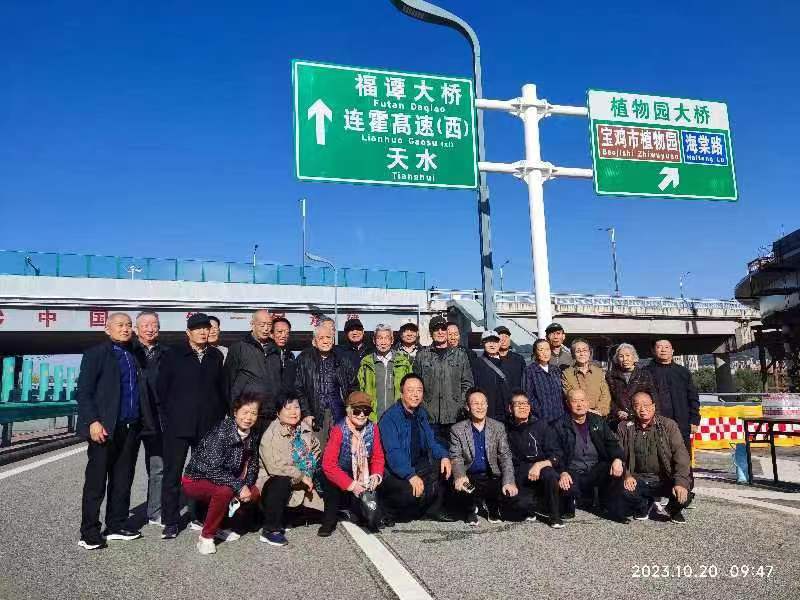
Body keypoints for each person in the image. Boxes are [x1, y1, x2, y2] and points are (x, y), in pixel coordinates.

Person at [77, 312, 154, 549]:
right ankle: (89, 532)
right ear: (107, 329)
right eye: (120, 325)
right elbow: (84, 392)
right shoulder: (96, 354)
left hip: (130, 427)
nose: (125, 329)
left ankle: (116, 524)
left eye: (129, 325)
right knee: (96, 481)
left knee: (123, 479)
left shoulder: (134, 354)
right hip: (104, 428)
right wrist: (93, 421)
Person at [159, 313, 228, 540]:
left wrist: (220, 421)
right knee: (173, 474)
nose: (203, 332)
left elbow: (221, 391)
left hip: (207, 426)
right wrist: (167, 420)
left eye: (206, 328)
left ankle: (199, 516)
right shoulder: (173, 354)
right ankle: (170, 521)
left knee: (203, 474)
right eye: (197, 328)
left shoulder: (215, 356)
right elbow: (162, 390)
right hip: (178, 426)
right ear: (188, 332)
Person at [181, 393, 262, 554]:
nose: (248, 417)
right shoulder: (222, 431)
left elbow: (253, 465)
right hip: (196, 479)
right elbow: (213, 469)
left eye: (253, 413)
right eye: (245, 412)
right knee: (225, 491)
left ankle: (222, 526)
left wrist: (246, 486)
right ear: (235, 412)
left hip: (226, 480)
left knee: (253, 492)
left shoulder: (252, 434)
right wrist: (239, 486)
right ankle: (206, 537)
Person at [378, 374, 456, 523]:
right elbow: (393, 452)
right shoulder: (390, 418)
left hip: (417, 464)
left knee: (446, 467)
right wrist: (410, 475)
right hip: (395, 470)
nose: (415, 394)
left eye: (419, 390)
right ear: (402, 393)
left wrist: (445, 456)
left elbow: (431, 441)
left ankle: (432, 509)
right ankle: (389, 511)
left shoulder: (421, 413)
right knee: (408, 494)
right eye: (410, 390)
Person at [256, 395, 324, 546]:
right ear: (278, 413)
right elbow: (275, 467)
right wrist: (301, 475)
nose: (294, 412)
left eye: (297, 407)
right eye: (288, 408)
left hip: (302, 481)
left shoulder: (303, 428)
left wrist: (310, 467)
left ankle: (333, 510)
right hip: (273, 486)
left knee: (327, 471)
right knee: (281, 480)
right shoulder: (272, 434)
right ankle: (270, 530)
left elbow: (316, 448)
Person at [551, 389, 627, 523]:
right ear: (568, 403)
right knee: (565, 485)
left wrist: (617, 459)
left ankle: (611, 507)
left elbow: (612, 443)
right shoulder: (559, 425)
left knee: (616, 469)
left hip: (595, 467)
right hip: (572, 469)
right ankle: (568, 505)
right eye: (575, 401)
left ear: (587, 402)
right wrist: (562, 471)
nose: (579, 405)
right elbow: (555, 452)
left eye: (582, 400)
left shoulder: (597, 421)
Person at [618, 391, 691, 523]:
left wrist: (680, 483)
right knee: (624, 491)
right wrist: (626, 475)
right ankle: (643, 506)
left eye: (646, 405)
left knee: (684, 491)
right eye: (637, 405)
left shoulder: (668, 425)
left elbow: (681, 455)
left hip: (664, 478)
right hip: (637, 479)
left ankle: (673, 510)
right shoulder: (624, 427)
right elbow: (618, 454)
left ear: (653, 406)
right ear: (633, 408)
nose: (642, 409)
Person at [319, 392, 386, 537]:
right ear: (348, 411)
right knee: (330, 483)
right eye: (357, 411)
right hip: (340, 472)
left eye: (366, 411)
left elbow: (378, 457)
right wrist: (352, 485)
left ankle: (372, 513)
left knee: (382, 478)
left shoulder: (373, 428)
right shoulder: (338, 430)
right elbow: (328, 464)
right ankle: (329, 520)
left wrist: (376, 475)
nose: (361, 415)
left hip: (362, 472)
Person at [450, 388, 518, 526]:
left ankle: (492, 508)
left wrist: (509, 481)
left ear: (487, 405)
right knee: (464, 487)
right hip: (470, 476)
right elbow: (456, 457)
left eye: (483, 403)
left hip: (491, 476)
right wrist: (460, 476)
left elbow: (505, 456)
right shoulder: (457, 430)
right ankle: (471, 509)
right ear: (468, 407)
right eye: (475, 403)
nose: (480, 407)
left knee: (510, 496)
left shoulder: (498, 427)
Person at [133, 310, 169, 528]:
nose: (150, 328)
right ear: (136, 329)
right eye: (145, 325)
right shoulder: (127, 351)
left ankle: (155, 511)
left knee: (158, 468)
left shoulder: (168, 354)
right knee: (123, 471)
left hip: (157, 420)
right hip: (131, 418)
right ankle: (117, 517)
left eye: (154, 324)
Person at [505, 391, 563, 528]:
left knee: (550, 474)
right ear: (510, 408)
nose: (522, 407)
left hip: (542, 469)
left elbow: (556, 453)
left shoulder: (542, 425)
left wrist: (539, 465)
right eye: (518, 404)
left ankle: (554, 516)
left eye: (525, 404)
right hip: (519, 472)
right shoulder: (504, 428)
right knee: (518, 505)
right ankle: (533, 504)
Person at [413, 316, 474, 440]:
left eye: (443, 329)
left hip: (455, 417)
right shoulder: (422, 356)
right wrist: (422, 406)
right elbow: (415, 384)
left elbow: (467, 383)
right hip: (430, 417)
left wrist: (460, 405)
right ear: (431, 333)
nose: (440, 332)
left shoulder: (460, 355)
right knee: (431, 450)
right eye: (436, 329)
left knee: (455, 450)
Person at [295, 325, 357, 446]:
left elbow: (353, 387)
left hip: (339, 413)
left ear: (333, 340)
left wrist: (351, 410)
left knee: (339, 448)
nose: (325, 341)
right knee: (317, 449)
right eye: (321, 338)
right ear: (314, 342)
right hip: (315, 414)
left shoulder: (342, 359)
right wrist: (306, 413)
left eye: (328, 337)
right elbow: (299, 389)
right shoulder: (304, 360)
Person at [225, 309, 283, 427]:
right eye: (262, 325)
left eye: (269, 325)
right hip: (247, 414)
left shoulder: (276, 349)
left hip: (271, 413)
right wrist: (232, 410)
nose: (266, 329)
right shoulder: (239, 348)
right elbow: (227, 381)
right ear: (252, 324)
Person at [645, 339, 700, 455]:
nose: (663, 350)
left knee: (683, 458)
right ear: (653, 351)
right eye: (659, 347)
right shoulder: (645, 372)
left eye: (667, 347)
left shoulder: (683, 372)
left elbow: (693, 398)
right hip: (654, 423)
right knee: (657, 458)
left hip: (682, 423)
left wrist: (694, 420)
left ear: (672, 350)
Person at [357, 324, 413, 420]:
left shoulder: (403, 362)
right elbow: (361, 389)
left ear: (392, 340)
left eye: (387, 338)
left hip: (398, 417)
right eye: (380, 338)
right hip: (373, 417)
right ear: (374, 341)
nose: (383, 342)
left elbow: (410, 389)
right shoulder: (366, 363)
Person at [606, 343, 657, 429]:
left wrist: (654, 417)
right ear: (617, 359)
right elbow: (608, 399)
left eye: (628, 355)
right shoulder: (610, 376)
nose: (625, 359)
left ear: (634, 357)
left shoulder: (644, 375)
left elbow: (653, 397)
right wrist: (617, 411)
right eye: (621, 356)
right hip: (618, 421)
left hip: (640, 418)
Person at [470, 330, 512, 422]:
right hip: (485, 411)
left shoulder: (508, 363)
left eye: (495, 341)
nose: (492, 345)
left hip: (506, 412)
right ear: (482, 344)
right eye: (488, 342)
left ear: (499, 343)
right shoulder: (476, 364)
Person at [562, 339, 611, 416]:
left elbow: (605, 395)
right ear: (573, 355)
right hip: (577, 415)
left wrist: (599, 411)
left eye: (585, 350)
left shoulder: (599, 372)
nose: (582, 354)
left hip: (598, 415)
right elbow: (570, 396)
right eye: (578, 351)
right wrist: (586, 411)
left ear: (589, 353)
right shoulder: (567, 374)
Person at [522, 339, 566, 423]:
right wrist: (540, 411)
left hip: (560, 416)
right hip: (541, 419)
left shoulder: (555, 370)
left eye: (547, 349)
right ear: (535, 352)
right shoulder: (530, 371)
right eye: (541, 350)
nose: (545, 353)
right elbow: (527, 396)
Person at [271, 316, 297, 396]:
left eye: (287, 333)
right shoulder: (264, 354)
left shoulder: (290, 356)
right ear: (271, 334)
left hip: (287, 401)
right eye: (280, 332)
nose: (283, 335)